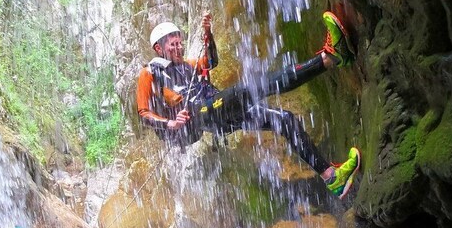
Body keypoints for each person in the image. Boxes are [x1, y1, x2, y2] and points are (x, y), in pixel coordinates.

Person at [136, 11, 361, 198]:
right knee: (251, 88)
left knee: (284, 119)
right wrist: (170, 123)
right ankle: (329, 58)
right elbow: (143, 113)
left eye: (180, 43)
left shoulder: (188, 65)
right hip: (202, 115)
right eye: (173, 45)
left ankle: (332, 178)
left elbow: (211, 61)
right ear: (159, 48)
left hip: (219, 113)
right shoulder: (150, 73)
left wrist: (208, 34)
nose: (179, 48)